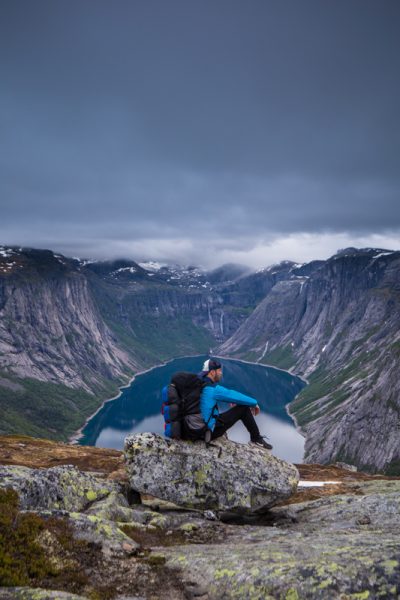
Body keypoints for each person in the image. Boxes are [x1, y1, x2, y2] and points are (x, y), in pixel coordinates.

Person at [183, 358, 273, 449]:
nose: (221, 373)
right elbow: (231, 394)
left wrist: (233, 400)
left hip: (191, 429)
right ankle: (256, 439)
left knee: (215, 413)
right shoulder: (213, 390)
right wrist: (254, 403)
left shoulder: (197, 385)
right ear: (212, 372)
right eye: (219, 370)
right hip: (206, 432)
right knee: (244, 409)